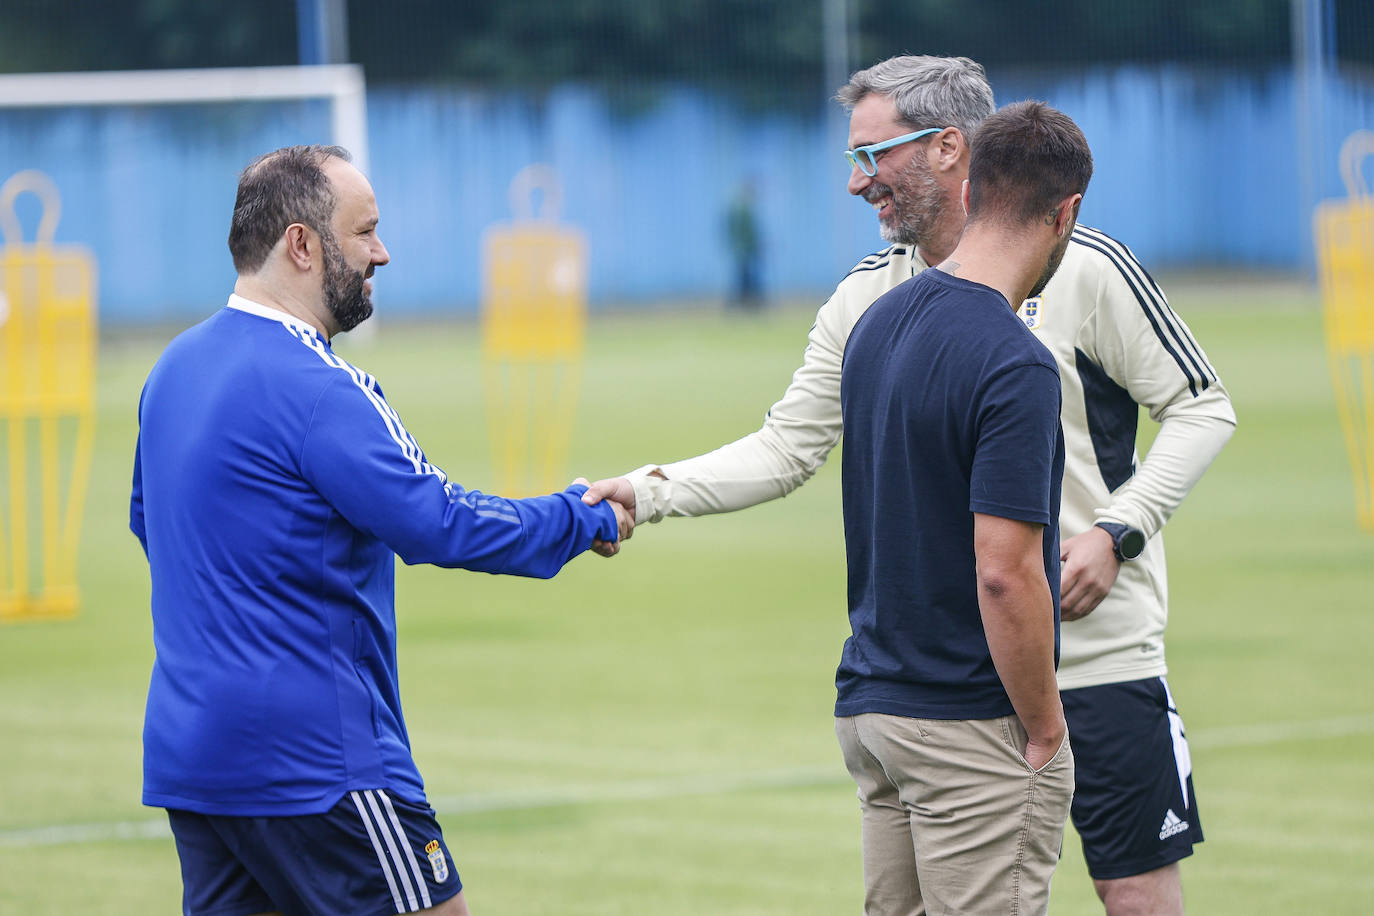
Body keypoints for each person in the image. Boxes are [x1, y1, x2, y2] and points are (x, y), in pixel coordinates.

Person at [584, 55, 1236, 916]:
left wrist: (1119, 529)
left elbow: (1203, 407)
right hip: (954, 690)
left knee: (1138, 899)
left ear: (949, 148)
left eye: (874, 155)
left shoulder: (1088, 264)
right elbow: (787, 448)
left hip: (1101, 653)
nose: (857, 182)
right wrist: (646, 490)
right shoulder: (866, 298)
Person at [129, 144, 632, 916]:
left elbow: (150, 525)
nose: (382, 253)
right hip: (317, 765)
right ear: (302, 244)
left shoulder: (174, 368)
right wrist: (578, 515)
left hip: (193, 756)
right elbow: (438, 521)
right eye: (365, 232)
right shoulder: (321, 387)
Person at [837, 98, 1089, 914]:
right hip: (965, 727)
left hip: (874, 709)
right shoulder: (1015, 362)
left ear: (972, 189)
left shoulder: (875, 325)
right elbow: (1006, 574)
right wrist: (1046, 729)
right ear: (1066, 214)